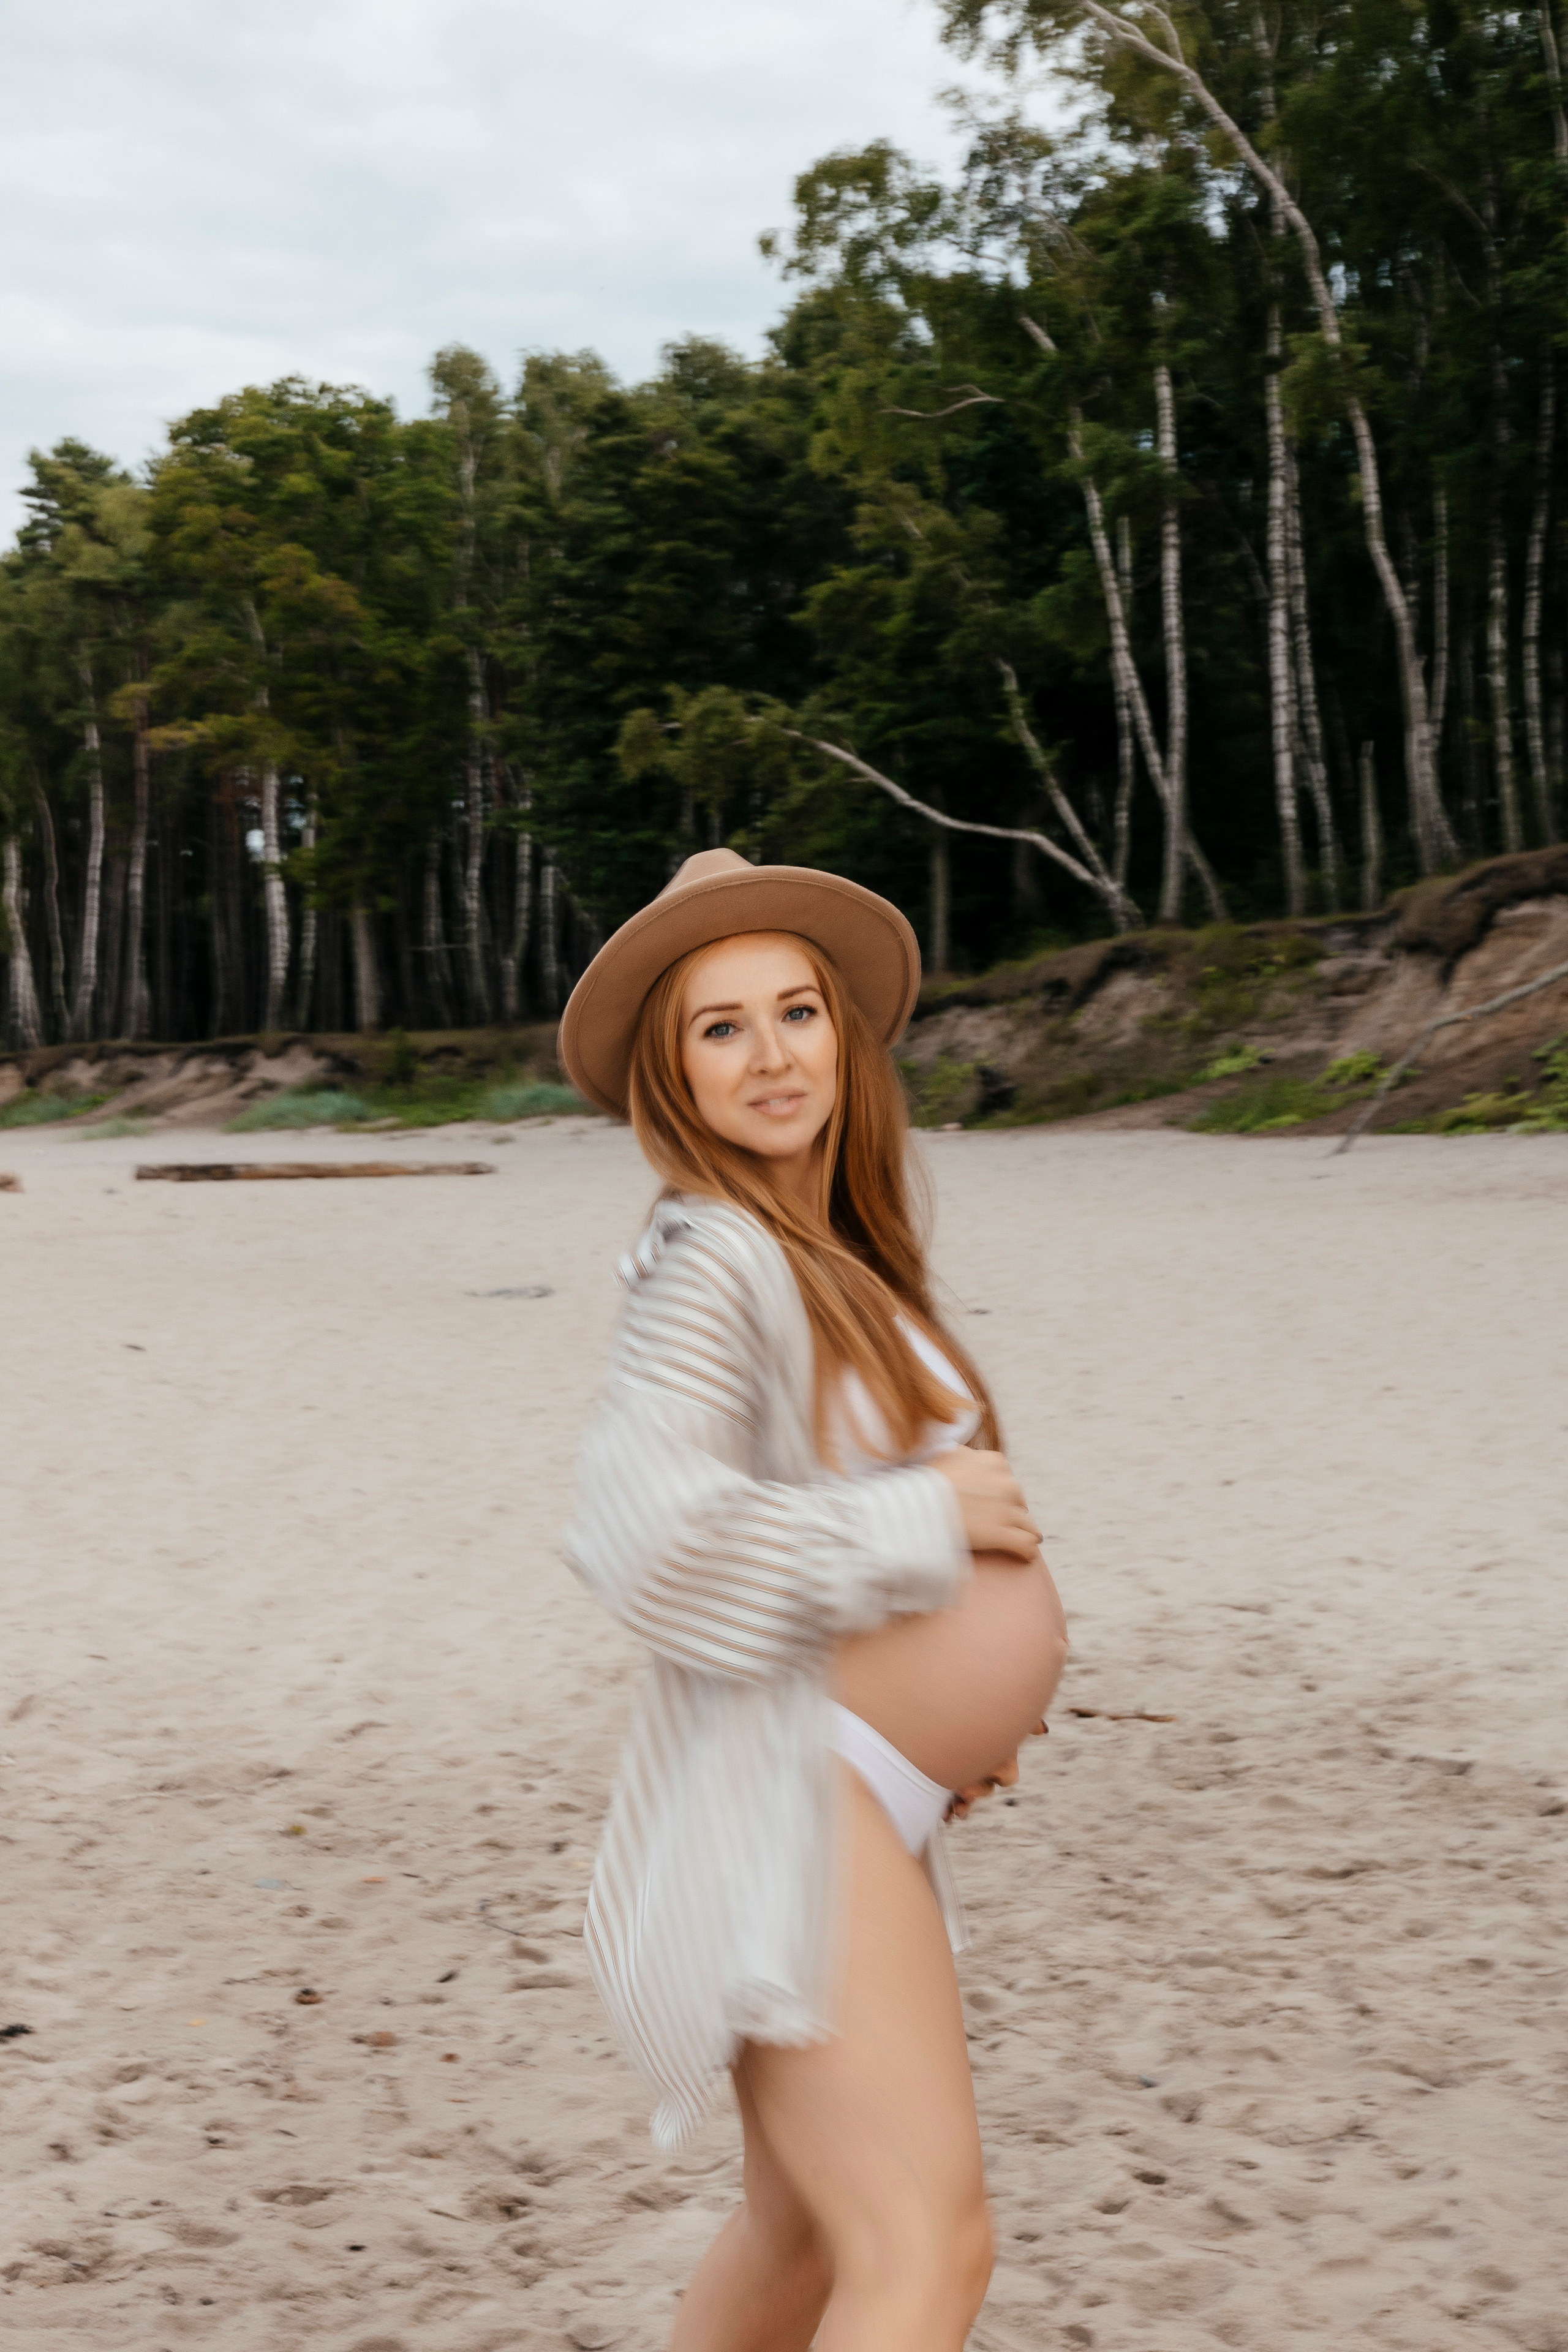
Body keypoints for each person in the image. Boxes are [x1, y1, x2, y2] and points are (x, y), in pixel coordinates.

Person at [559, 849, 1069, 2351]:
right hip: (796, 1793)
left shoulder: (829, 1250)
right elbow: (639, 1535)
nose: (772, 1053)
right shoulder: (707, 1252)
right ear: (673, 1071)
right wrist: (923, 1521)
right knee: (925, 2250)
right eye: (721, 1027)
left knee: (796, 2241)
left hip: (860, 1791)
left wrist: (968, 1710)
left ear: (843, 1036)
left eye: (796, 1012)